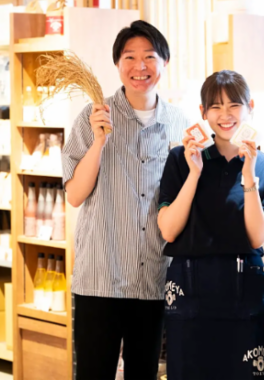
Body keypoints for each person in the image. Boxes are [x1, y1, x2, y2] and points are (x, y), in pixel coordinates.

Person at [62, 20, 189, 380]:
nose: (140, 66)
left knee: (144, 374)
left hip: (153, 277)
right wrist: (99, 141)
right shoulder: (93, 117)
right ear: (117, 64)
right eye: (130, 57)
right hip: (100, 276)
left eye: (150, 56)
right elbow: (75, 195)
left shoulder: (179, 124)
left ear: (164, 62)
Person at [158, 70, 264, 380]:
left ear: (250, 107)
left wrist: (248, 176)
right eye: (215, 106)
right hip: (189, 293)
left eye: (234, 105)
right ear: (203, 112)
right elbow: (169, 230)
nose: (225, 115)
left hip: (246, 292)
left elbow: (257, 238)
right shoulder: (180, 158)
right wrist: (194, 173)